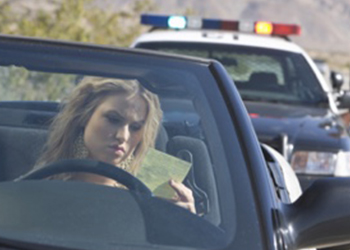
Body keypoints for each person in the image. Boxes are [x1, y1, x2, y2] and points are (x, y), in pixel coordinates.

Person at [35, 76, 196, 213]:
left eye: (135, 127)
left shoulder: (154, 193)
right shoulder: (41, 183)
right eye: (113, 119)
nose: (123, 136)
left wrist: (184, 226)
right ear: (84, 116)